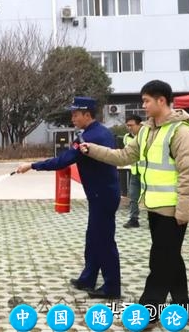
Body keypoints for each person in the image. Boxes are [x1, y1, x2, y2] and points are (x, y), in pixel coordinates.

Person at [79, 81, 189, 323]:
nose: (143, 105)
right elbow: (123, 156)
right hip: (154, 206)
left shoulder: (181, 132)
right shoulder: (145, 131)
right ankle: (182, 307)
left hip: (173, 209)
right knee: (171, 257)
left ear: (161, 101)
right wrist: (91, 149)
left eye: (146, 101)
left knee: (160, 260)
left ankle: (147, 311)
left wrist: (184, 211)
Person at [16, 96, 121, 299]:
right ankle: (88, 278)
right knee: (93, 238)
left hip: (103, 196)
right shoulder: (96, 132)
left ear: (87, 114)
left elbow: (63, 160)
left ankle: (112, 287)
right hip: (101, 194)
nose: (72, 117)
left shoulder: (92, 137)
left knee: (104, 241)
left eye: (75, 114)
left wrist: (32, 165)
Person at [123, 114, 143, 228]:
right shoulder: (127, 137)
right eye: (127, 125)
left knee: (149, 197)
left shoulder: (146, 136)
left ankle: (154, 219)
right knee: (133, 196)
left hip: (148, 172)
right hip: (135, 172)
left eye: (132, 125)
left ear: (139, 125)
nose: (130, 128)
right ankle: (133, 219)